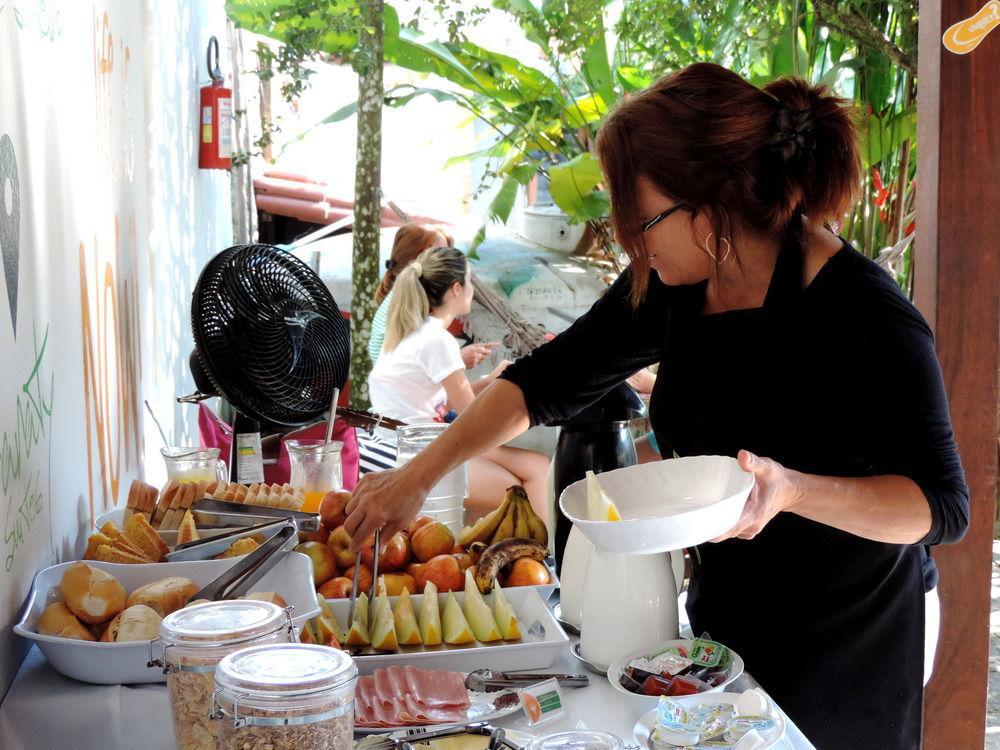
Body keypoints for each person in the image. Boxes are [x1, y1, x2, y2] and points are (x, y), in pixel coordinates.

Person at [346, 63, 969, 749]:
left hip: (852, 636)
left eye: (641, 222)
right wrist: (418, 477)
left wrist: (792, 491)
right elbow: (545, 380)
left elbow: (939, 507)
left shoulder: (866, 314)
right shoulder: (676, 287)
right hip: (725, 627)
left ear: (712, 208)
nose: (632, 244)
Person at [368, 245, 550, 520]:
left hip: (394, 444)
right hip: (414, 453)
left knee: (532, 468)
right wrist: (513, 392)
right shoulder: (437, 340)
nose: (472, 289)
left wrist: (492, 381)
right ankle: (539, 558)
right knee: (536, 471)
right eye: (469, 281)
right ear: (455, 289)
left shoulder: (406, 331)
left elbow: (447, 401)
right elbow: (475, 419)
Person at [369, 223, 496, 369]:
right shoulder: (408, 308)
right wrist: (457, 360)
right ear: (414, 261)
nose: (451, 264)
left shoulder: (404, 301)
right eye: (440, 255)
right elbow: (401, 372)